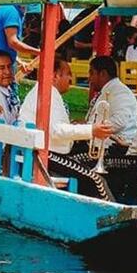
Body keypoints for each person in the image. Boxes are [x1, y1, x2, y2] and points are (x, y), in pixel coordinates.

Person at [20, 58, 115, 200]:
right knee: (96, 179)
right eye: (67, 73)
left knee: (90, 170)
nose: (71, 78)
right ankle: (112, 216)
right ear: (54, 75)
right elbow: (56, 131)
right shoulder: (47, 93)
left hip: (44, 151)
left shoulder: (45, 91)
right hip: (46, 155)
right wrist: (91, 131)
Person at [83, 56, 137, 157]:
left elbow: (119, 122)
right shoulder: (110, 89)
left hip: (113, 150)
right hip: (99, 145)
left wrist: (90, 129)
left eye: (92, 73)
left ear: (103, 74)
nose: (89, 78)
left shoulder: (121, 92)